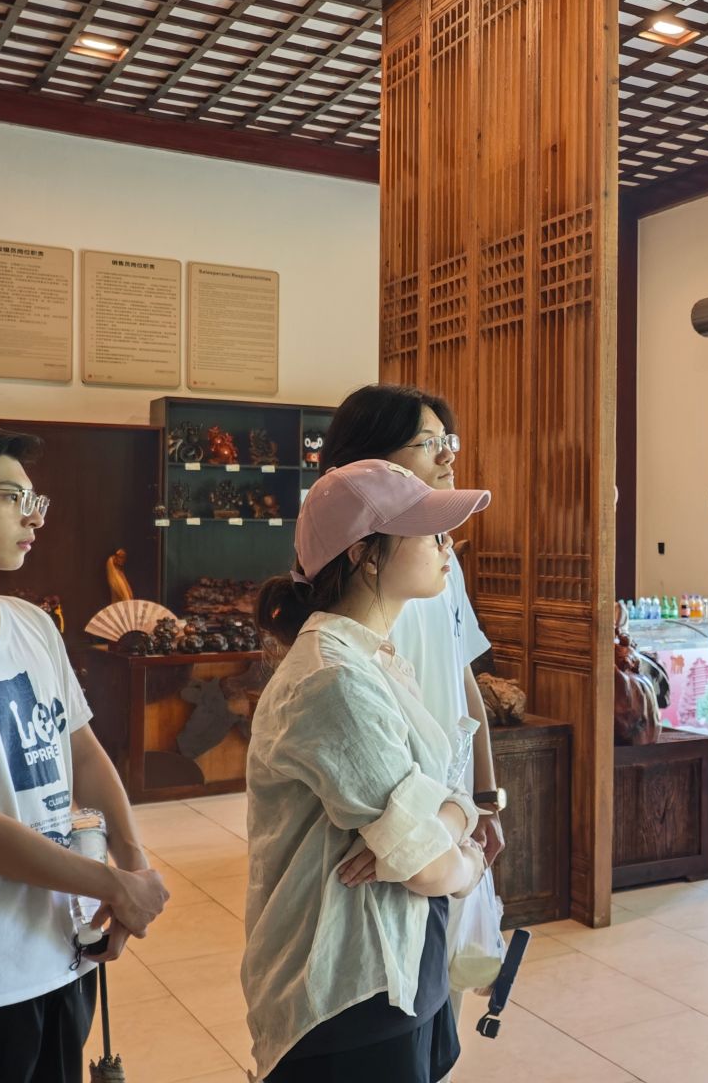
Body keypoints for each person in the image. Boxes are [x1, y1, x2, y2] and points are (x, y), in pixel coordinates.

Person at [0, 418, 169, 1083]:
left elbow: (83, 752)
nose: (34, 516)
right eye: (12, 497)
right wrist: (114, 886)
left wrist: (133, 861)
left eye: (35, 500)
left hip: (57, 949)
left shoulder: (30, 623)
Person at [241, 459, 492, 1083]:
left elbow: (442, 808)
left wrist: (451, 818)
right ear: (365, 555)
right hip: (346, 993)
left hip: (400, 965)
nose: (447, 547)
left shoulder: (373, 658)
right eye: (430, 534)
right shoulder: (334, 679)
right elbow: (426, 864)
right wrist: (467, 863)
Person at [319, 384, 504, 1056]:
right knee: (389, 1009)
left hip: (444, 820)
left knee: (438, 1013)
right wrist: (445, 829)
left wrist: (484, 799)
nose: (449, 456)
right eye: (429, 444)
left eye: (448, 442)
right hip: (390, 825)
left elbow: (463, 681)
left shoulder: (437, 560)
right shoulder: (349, 584)